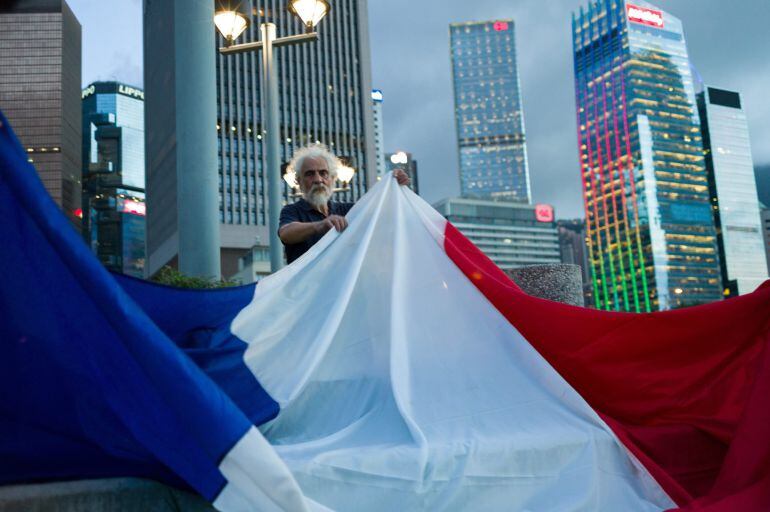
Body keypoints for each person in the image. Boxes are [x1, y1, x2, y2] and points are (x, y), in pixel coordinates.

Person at [278, 144, 410, 264]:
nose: (318, 180)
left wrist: (394, 185)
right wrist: (319, 225)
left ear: (333, 178)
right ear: (298, 181)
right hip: (308, 289)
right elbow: (286, 233)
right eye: (310, 174)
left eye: (323, 173)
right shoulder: (292, 211)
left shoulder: (349, 210)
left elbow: (384, 213)